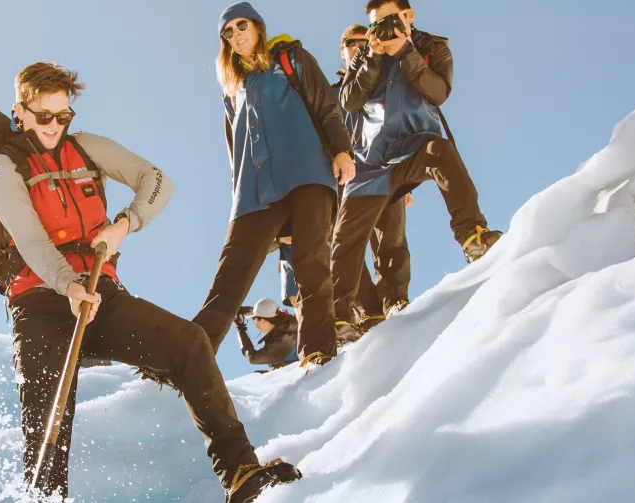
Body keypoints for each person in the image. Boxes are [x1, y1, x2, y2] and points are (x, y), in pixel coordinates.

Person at [0, 61, 298, 502]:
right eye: (43, 116)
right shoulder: (1, 168)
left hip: (100, 292)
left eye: (63, 116)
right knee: (48, 416)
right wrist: (68, 286)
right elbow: (31, 240)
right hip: (39, 303)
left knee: (189, 343)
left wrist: (125, 224)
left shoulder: (87, 148)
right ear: (21, 111)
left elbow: (157, 181)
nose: (54, 126)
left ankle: (240, 470)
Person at [194, 2, 355, 372]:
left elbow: (325, 105)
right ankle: (190, 355)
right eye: (228, 33)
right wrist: (238, 192)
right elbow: (235, 152)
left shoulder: (291, 59)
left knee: (310, 260)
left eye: (241, 25)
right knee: (232, 269)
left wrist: (342, 150)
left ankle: (317, 351)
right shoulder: (232, 88)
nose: (236, 35)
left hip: (306, 173)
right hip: (254, 191)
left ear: (258, 26)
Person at [333, 0, 503, 339]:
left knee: (440, 151)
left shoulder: (432, 48)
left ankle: (472, 235)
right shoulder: (365, 57)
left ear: (408, 17)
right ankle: (338, 318)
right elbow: (349, 101)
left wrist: (405, 51)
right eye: (376, 24)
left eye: (390, 20)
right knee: (345, 238)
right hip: (371, 162)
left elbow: (438, 92)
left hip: (414, 146)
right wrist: (373, 57)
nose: (382, 29)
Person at [335, 23, 413, 334]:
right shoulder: (334, 95)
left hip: (385, 169)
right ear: (342, 53)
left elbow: (401, 126)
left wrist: (407, 178)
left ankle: (394, 299)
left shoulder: (386, 87)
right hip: (346, 182)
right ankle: (369, 310)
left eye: (360, 41)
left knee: (390, 238)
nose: (356, 47)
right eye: (349, 44)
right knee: (346, 247)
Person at [237, 298, 300, 370]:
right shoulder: (285, 324)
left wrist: (240, 329)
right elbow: (265, 313)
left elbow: (252, 358)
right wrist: (249, 310)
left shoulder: (284, 340)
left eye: (254, 319)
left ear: (263, 321)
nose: (254, 321)